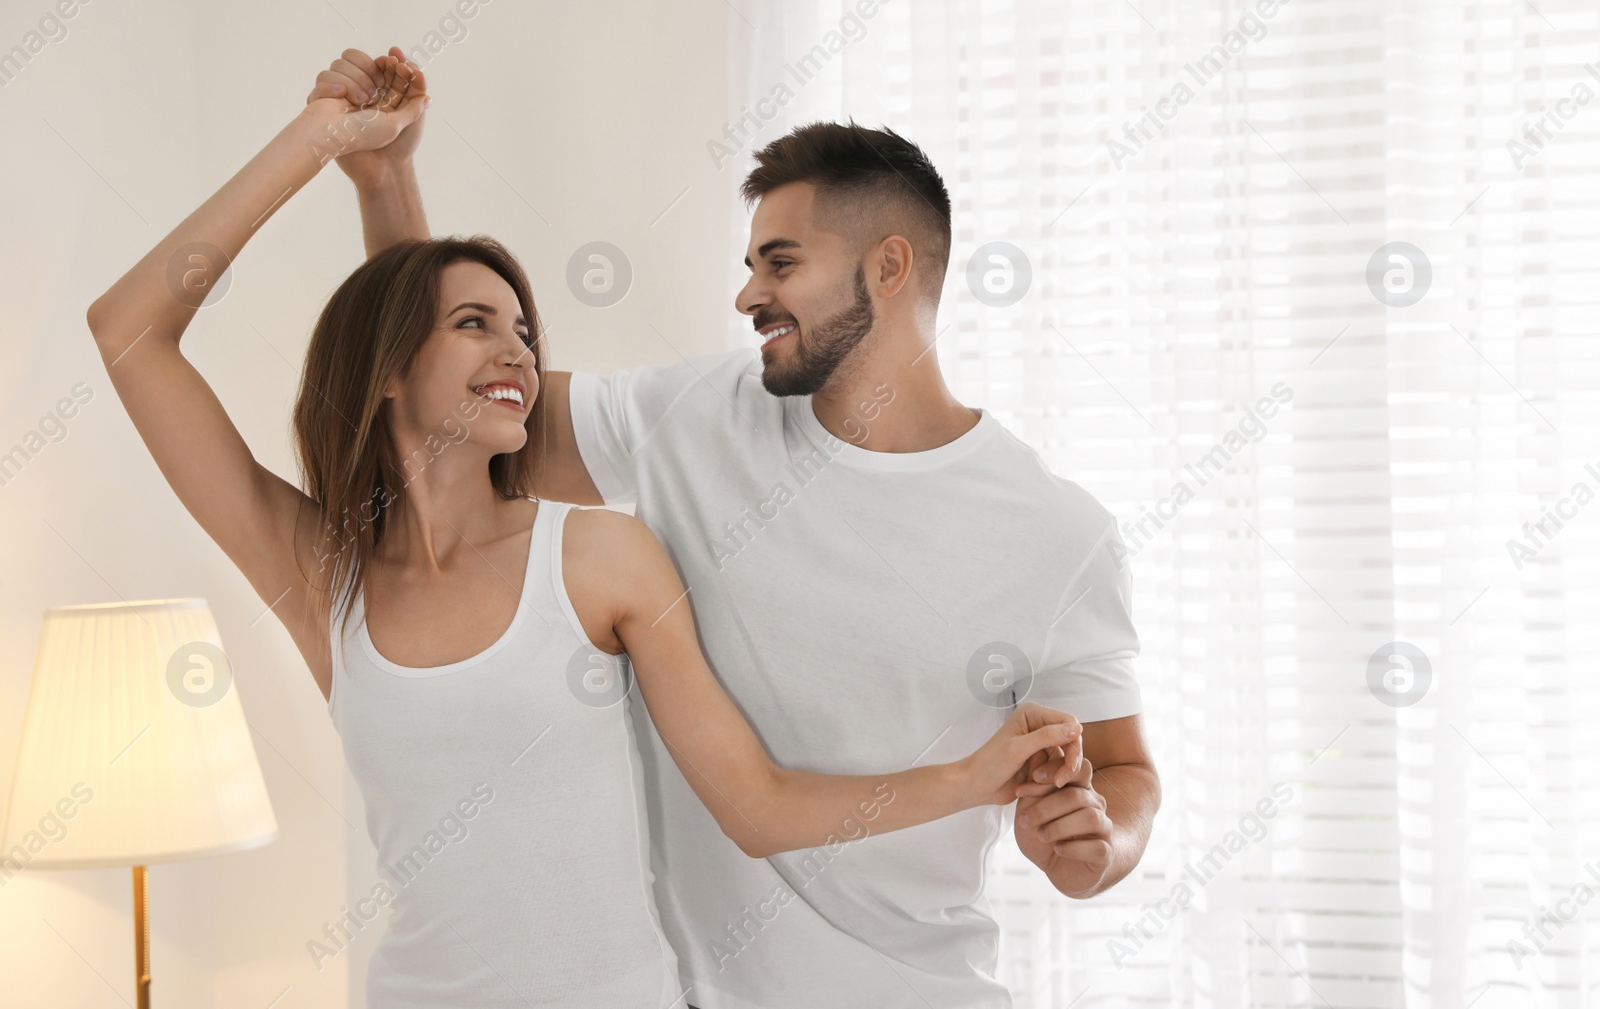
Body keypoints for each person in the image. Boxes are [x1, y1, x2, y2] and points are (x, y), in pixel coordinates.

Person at [83, 54, 1089, 1008]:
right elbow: (127, 329)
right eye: (480, 323)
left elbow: (758, 805)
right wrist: (325, 140)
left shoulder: (597, 556)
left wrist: (966, 777)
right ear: (388, 365)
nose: (517, 346)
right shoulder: (326, 581)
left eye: (524, 327)